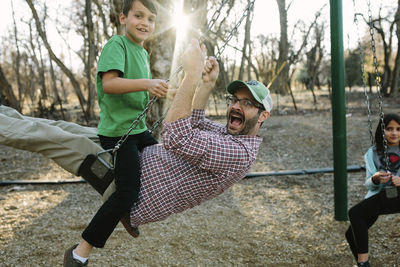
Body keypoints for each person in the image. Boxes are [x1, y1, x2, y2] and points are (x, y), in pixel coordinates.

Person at [0, 39, 272, 266]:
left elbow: (177, 136)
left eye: (248, 103)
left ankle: (78, 257)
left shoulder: (238, 154)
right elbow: (197, 121)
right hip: (130, 152)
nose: (237, 106)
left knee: (46, 137)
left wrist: (190, 75)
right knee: (56, 125)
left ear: (263, 116)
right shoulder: (230, 136)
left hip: (125, 183)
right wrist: (207, 84)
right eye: (235, 99)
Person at [67, 0, 169, 265]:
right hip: (118, 132)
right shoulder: (117, 45)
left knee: (163, 165)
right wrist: (148, 83)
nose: (145, 23)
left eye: (151, 19)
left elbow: (149, 90)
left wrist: (189, 84)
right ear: (123, 18)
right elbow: (110, 84)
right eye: (138, 15)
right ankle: (80, 252)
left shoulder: (143, 53)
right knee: (126, 191)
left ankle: (127, 209)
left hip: (139, 129)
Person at [345, 113, 400, 267]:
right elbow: (369, 184)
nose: (394, 133)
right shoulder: (373, 153)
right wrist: (375, 178)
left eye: (398, 129)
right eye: (389, 129)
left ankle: (363, 263)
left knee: (354, 213)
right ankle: (362, 262)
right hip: (383, 196)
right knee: (350, 233)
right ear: (382, 131)